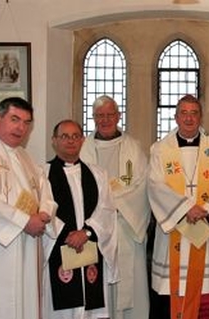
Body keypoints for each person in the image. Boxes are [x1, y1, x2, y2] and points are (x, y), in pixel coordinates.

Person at [0, 97, 60, 319]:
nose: (21, 127)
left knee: (27, 305)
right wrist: (24, 222)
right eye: (15, 119)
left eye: (26, 122)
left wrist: (44, 214)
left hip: (29, 246)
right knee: (0, 304)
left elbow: (45, 191)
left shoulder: (25, 156)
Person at [148, 94, 209, 319]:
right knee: (171, 294)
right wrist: (185, 209)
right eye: (184, 113)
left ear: (200, 117)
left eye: (194, 113)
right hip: (175, 231)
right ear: (175, 117)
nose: (189, 118)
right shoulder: (160, 149)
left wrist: (208, 209)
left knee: (206, 292)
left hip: (205, 228)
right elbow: (155, 186)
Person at [80, 95, 151, 319]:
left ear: (118, 116)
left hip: (126, 226)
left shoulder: (134, 149)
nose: (105, 119)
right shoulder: (83, 150)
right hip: (95, 229)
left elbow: (142, 186)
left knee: (129, 287)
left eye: (110, 114)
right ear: (93, 118)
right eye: (100, 115)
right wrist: (101, 213)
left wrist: (112, 205)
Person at [44, 119, 118, 319]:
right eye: (64, 136)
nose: (70, 141)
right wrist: (68, 234)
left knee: (89, 307)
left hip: (89, 249)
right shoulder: (42, 173)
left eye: (75, 136)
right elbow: (43, 209)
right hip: (59, 249)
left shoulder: (97, 174)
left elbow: (107, 210)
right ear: (54, 141)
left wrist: (86, 233)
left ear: (83, 140)